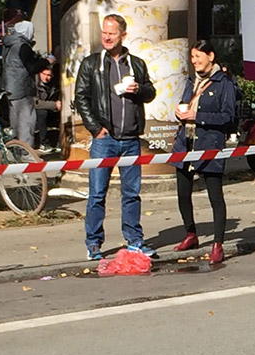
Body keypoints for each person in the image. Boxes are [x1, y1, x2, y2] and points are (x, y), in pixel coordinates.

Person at [73, 12, 157, 261]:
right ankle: (94, 244)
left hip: (131, 139)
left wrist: (139, 89)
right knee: (97, 193)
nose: (107, 37)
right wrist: (95, 129)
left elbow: (150, 92)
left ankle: (134, 241)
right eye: (104, 32)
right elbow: (81, 97)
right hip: (104, 140)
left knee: (131, 193)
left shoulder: (136, 64)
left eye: (111, 33)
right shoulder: (91, 63)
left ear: (123, 35)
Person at [172, 40, 237, 265]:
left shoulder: (224, 83)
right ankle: (190, 234)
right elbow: (185, 104)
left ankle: (217, 244)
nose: (195, 61)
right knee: (182, 193)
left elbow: (228, 117)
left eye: (198, 56)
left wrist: (197, 117)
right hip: (185, 144)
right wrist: (180, 113)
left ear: (211, 56)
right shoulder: (192, 82)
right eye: (192, 57)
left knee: (215, 196)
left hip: (209, 144)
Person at [1, 6, 53, 146]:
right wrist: (47, 61)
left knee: (16, 123)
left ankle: (17, 152)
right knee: (26, 122)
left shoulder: (10, 44)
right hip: (22, 89)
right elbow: (31, 68)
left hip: (11, 89)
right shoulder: (22, 46)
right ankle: (25, 153)